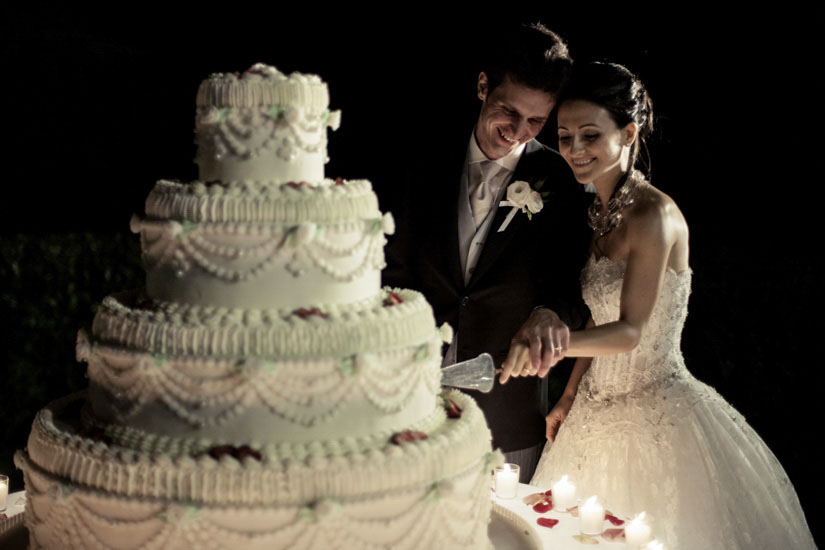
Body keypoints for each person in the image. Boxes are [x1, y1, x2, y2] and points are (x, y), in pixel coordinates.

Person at [516, 61, 816, 548]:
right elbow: (599, 311)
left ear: (628, 132)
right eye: (565, 136)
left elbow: (630, 329)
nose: (573, 151)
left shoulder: (653, 214)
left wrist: (548, 345)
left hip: (658, 413)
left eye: (589, 136)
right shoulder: (600, 211)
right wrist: (568, 398)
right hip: (592, 413)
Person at [382, 22, 591, 481]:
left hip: (508, 416)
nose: (517, 131)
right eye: (508, 111)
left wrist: (548, 311)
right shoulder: (418, 161)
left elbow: (572, 287)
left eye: (536, 121)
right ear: (482, 86)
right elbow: (389, 269)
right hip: (405, 403)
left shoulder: (564, 183)